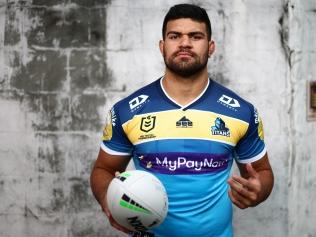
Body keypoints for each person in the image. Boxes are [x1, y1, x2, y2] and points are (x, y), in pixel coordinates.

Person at [90, 3, 274, 237]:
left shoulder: (241, 113)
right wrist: (110, 201)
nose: (185, 43)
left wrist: (260, 190)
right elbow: (104, 169)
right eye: (175, 36)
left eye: (195, 36)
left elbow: (262, 172)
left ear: (210, 47)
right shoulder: (127, 111)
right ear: (162, 46)